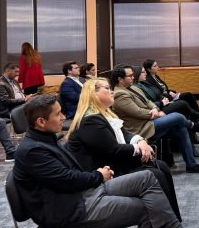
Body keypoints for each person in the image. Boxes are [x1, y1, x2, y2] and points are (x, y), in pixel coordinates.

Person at [14, 95, 182, 228]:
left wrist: (97, 176)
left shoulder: (46, 139)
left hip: (81, 193)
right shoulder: (32, 151)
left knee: (147, 177)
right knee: (150, 209)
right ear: (41, 122)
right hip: (71, 207)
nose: (63, 117)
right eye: (58, 114)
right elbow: (67, 179)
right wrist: (98, 176)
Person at [66, 78, 182, 220]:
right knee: (155, 173)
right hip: (105, 171)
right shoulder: (90, 120)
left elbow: (125, 133)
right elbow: (112, 150)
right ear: (93, 94)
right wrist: (139, 148)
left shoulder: (105, 114)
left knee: (162, 166)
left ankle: (172, 219)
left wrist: (139, 140)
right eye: (107, 88)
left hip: (115, 162)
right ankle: (167, 221)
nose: (112, 91)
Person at [111, 64, 199, 174]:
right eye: (130, 76)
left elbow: (148, 102)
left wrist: (154, 108)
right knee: (177, 116)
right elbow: (137, 112)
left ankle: (191, 165)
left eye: (133, 75)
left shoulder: (133, 87)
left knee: (181, 129)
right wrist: (155, 113)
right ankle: (193, 125)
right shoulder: (119, 95)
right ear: (120, 79)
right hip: (141, 128)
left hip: (151, 121)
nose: (133, 77)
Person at [143, 59, 199, 124]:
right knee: (186, 98)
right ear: (149, 69)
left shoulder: (155, 76)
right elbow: (158, 93)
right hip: (165, 99)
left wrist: (170, 92)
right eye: (155, 66)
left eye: (157, 65)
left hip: (168, 95)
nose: (157, 67)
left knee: (188, 95)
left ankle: (198, 118)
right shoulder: (148, 80)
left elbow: (163, 88)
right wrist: (169, 95)